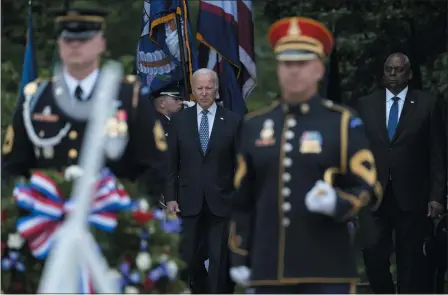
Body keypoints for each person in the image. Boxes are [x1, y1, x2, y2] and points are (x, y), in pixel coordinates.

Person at [228, 17, 382, 294]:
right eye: (287, 64)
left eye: (302, 63)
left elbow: (369, 188)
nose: (294, 71)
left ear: (319, 69)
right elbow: (242, 199)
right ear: (278, 69)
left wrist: (338, 202)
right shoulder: (254, 125)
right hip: (268, 269)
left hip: (327, 269)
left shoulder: (343, 123)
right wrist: (240, 252)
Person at [1, 4, 168, 200]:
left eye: (84, 39)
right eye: (68, 39)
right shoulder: (36, 98)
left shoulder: (128, 97)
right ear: (59, 44)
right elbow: (12, 167)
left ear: (101, 43)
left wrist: (136, 215)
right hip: (47, 218)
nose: (75, 45)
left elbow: (154, 168)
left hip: (113, 218)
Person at [357, 53, 446, 293]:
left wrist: (437, 196)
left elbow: (437, 153)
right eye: (389, 70)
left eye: (398, 70)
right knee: (373, 252)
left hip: (413, 196)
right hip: (374, 195)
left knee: (412, 261)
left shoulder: (428, 104)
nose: (393, 74)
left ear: (409, 74)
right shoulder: (366, 105)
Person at [165, 68, 241, 293]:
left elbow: (241, 165)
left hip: (222, 200)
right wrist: (170, 197)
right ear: (193, 90)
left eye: (209, 87)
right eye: (200, 88)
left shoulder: (233, 121)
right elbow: (171, 164)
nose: (205, 92)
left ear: (216, 89)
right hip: (188, 199)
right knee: (188, 256)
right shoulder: (179, 121)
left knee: (218, 258)